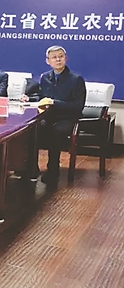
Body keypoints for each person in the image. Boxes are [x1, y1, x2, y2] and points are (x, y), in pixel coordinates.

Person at [21, 45, 86, 184]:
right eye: (54, 57)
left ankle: (53, 171)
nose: (58, 60)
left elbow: (77, 106)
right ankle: (31, 169)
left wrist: (54, 103)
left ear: (66, 58)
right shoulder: (45, 77)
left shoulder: (76, 79)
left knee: (55, 132)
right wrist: (29, 99)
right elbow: (41, 97)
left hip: (67, 118)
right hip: (48, 116)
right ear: (48, 61)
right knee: (32, 129)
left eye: (60, 56)